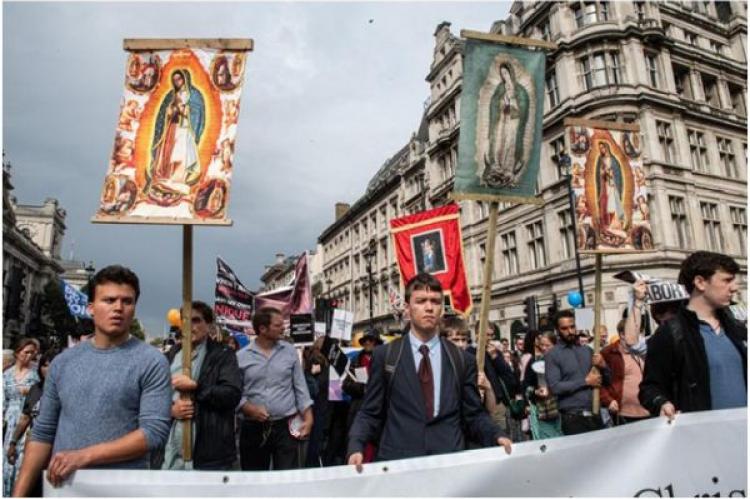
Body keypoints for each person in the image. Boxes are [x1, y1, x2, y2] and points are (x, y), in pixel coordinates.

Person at [13, 265, 172, 497]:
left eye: (127, 302)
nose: (118, 308)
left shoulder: (152, 362)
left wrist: (84, 456)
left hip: (123, 488)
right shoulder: (62, 363)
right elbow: (43, 433)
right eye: (109, 300)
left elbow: (153, 433)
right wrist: (19, 494)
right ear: (91, 308)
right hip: (65, 488)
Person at [347, 273, 511, 471]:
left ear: (442, 308)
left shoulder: (462, 360)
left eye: (435, 301)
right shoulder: (386, 356)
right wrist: (356, 446)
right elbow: (370, 412)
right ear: (408, 308)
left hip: (449, 463)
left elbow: (473, 414)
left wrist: (496, 435)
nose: (429, 307)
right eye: (421, 301)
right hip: (399, 465)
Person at [639, 251, 747, 421]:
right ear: (700, 282)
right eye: (726, 280)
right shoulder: (671, 333)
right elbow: (650, 388)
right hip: (702, 436)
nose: (734, 287)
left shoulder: (738, 329)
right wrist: (662, 403)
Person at [154, 301, 242, 470]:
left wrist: (197, 387)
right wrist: (171, 410)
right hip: (170, 452)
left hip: (210, 454)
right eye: (185, 320)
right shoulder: (169, 356)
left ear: (209, 325)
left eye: (196, 320)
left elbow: (232, 395)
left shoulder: (223, 355)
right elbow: (154, 398)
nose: (189, 326)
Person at [236, 307, 313, 471]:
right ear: (263, 329)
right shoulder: (241, 357)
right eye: (278, 325)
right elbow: (235, 392)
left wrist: (308, 417)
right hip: (253, 428)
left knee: (286, 479)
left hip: (285, 427)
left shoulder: (290, 351)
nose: (283, 328)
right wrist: (248, 408)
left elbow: (300, 387)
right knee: (254, 479)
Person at [545, 309, 610, 436]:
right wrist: (585, 382)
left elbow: (607, 381)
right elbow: (555, 387)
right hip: (572, 418)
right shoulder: (552, 355)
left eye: (572, 327)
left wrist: (603, 366)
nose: (570, 331)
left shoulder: (587, 350)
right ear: (557, 330)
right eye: (564, 328)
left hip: (596, 413)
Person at [146, 69, 205, 197]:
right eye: (174, 80)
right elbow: (164, 112)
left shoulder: (194, 95)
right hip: (172, 127)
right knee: (168, 152)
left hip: (185, 129)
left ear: (185, 78)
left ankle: (178, 180)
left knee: (180, 154)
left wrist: (185, 110)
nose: (177, 82)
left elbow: (197, 112)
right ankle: (166, 178)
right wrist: (171, 110)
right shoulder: (171, 95)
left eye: (179, 79)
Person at [6, 350, 57, 497]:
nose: (47, 369)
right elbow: (25, 418)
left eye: (52, 365)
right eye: (44, 365)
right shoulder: (35, 389)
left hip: (56, 449)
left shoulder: (64, 389)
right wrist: (13, 442)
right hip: (34, 447)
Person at [483, 63, 530, 188]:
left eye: (505, 73)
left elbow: (524, 102)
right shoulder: (500, 88)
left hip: (514, 120)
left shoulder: (518, 88)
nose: (504, 76)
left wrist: (513, 102)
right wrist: (502, 103)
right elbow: (494, 102)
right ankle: (498, 166)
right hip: (503, 119)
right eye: (502, 74)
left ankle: (509, 167)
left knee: (511, 141)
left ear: (510, 73)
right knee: (500, 141)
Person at [3, 338, 40, 495]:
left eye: (32, 352)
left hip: (27, 419)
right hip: (9, 420)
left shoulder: (35, 374)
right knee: (6, 463)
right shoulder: (6, 374)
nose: (29, 356)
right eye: (26, 352)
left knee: (21, 462)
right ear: (18, 353)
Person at [341, 328, 383, 464]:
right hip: (360, 408)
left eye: (371, 340)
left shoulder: (384, 358)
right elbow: (346, 385)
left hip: (380, 409)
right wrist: (362, 388)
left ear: (376, 342)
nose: (368, 343)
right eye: (365, 341)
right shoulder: (356, 360)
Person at [600, 320, 650, 425]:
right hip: (624, 415)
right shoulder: (609, 353)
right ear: (622, 334)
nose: (639, 335)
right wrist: (609, 400)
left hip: (650, 412)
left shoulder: (646, 350)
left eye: (640, 331)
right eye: (635, 331)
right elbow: (598, 382)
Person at [523, 331, 563, 440]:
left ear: (555, 345)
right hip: (544, 414)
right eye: (542, 345)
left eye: (548, 345)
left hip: (562, 411)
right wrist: (535, 391)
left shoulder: (562, 361)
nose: (544, 348)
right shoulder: (534, 362)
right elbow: (525, 386)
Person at [596, 142, 624, 230]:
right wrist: (604, 173)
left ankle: (615, 221)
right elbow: (599, 174)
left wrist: (612, 174)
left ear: (607, 148)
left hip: (613, 184)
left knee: (613, 202)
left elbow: (618, 173)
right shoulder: (600, 160)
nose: (601, 150)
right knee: (606, 202)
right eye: (600, 149)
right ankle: (607, 223)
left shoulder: (613, 160)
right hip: (605, 185)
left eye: (602, 148)